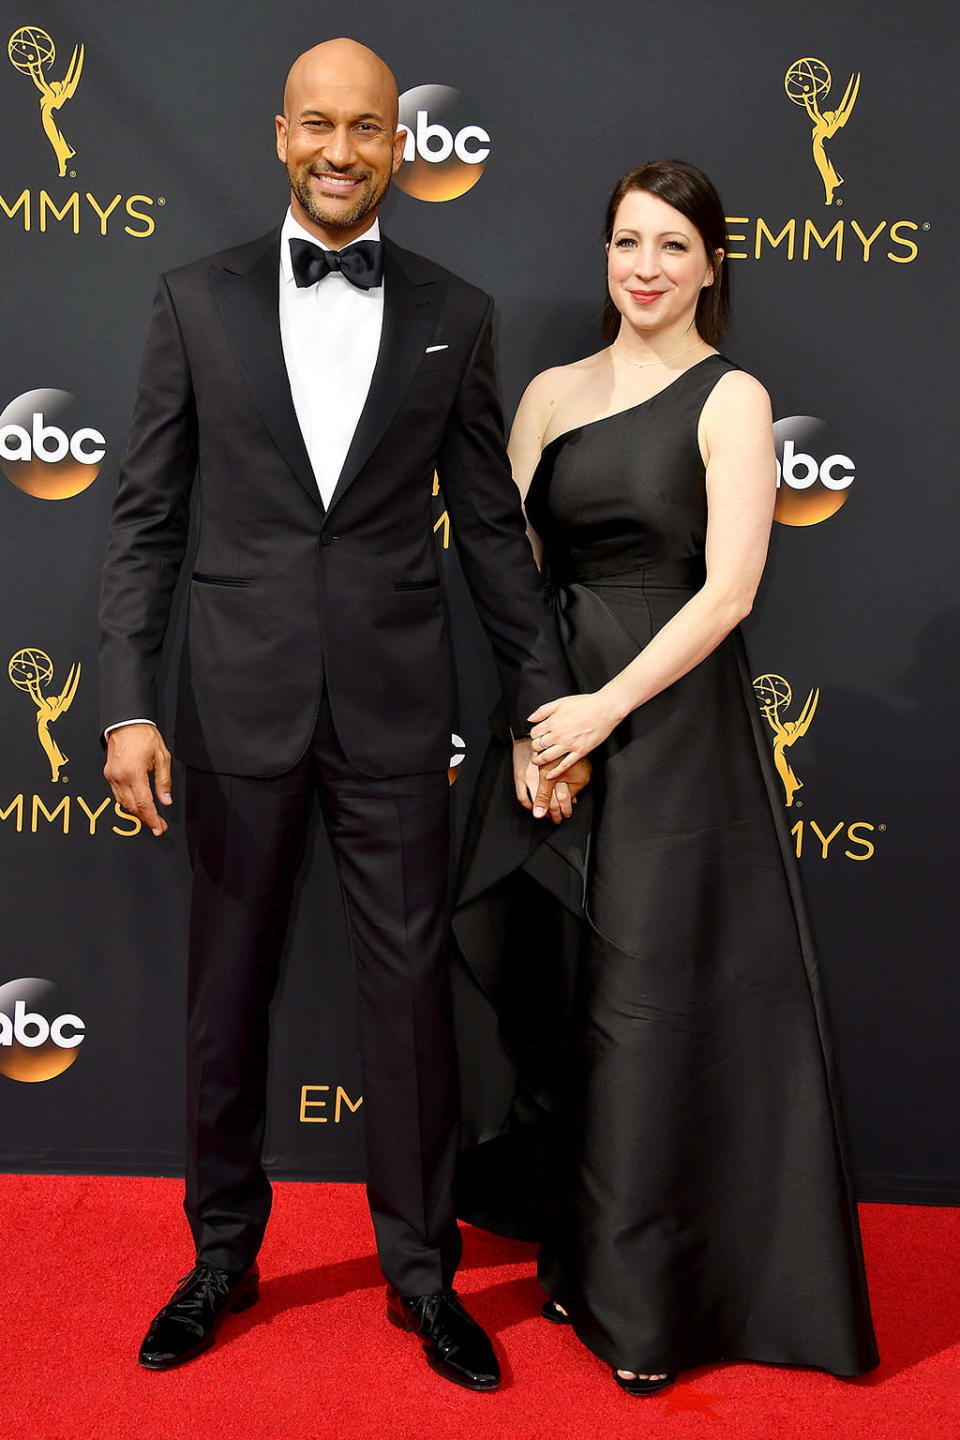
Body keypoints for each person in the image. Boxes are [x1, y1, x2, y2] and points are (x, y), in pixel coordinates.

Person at [99, 38, 587, 1389]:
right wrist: (128, 704)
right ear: (279, 134)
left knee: (409, 1001)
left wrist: (547, 705)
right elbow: (143, 519)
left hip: (391, 711)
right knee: (226, 995)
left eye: (366, 129)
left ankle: (423, 1277)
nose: (339, 149)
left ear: (399, 147)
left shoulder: (457, 311)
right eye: (317, 125)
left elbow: (492, 534)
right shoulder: (192, 300)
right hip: (232, 708)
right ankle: (218, 1257)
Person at [452, 160, 879, 1394]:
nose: (645, 265)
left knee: (648, 1009)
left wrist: (602, 712)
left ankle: (651, 1306)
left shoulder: (731, 396)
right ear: (606, 253)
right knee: (560, 990)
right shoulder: (545, 394)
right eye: (627, 241)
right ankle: (574, 1262)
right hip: (551, 726)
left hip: (671, 729)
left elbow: (732, 590)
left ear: (711, 266)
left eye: (673, 246)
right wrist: (544, 729)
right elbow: (512, 576)